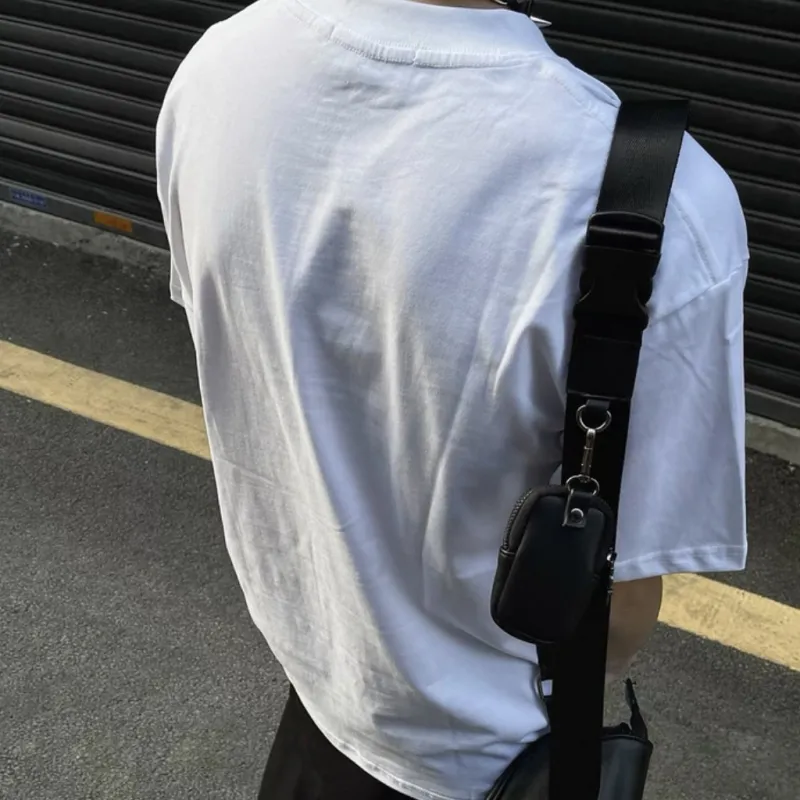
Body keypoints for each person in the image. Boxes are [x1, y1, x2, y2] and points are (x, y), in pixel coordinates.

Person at [155, 1, 748, 798]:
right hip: (484, 765)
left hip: (319, 705)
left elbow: (257, 364)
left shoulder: (223, 67)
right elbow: (616, 623)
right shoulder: (664, 204)